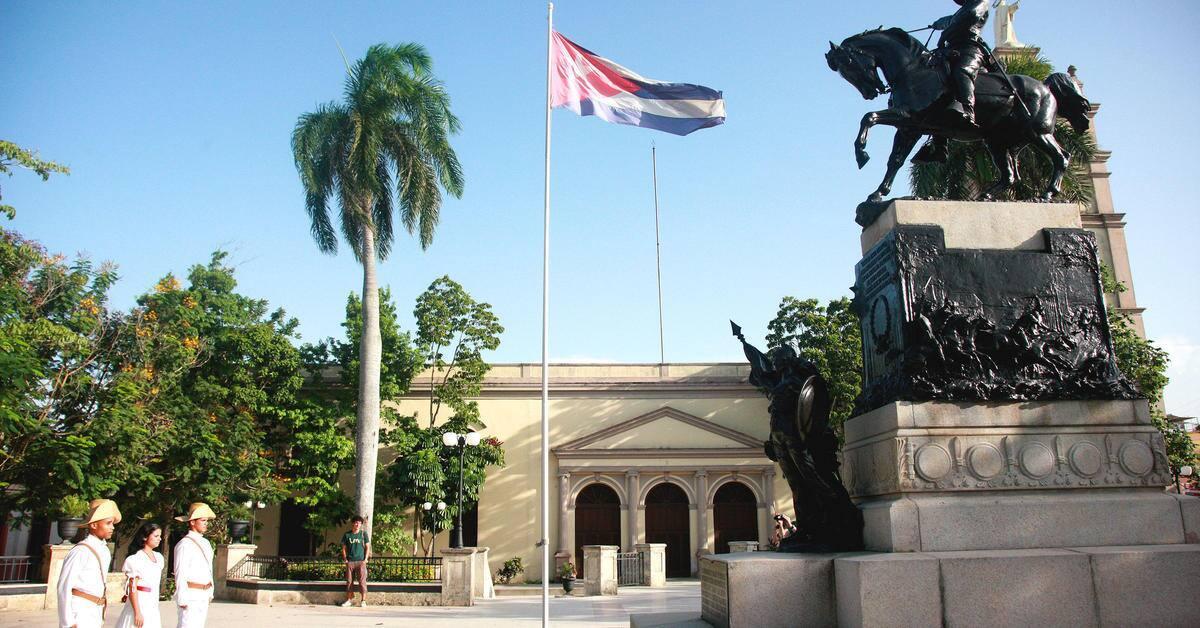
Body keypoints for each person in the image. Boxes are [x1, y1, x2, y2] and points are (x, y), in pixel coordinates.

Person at [57, 498, 121, 628]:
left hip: (95, 610)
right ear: (93, 525)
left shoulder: (104, 551)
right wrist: (68, 622)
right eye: (108, 523)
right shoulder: (81, 551)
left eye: (113, 523)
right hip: (80, 610)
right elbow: (64, 586)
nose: (112, 527)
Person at [930, 0, 991, 126]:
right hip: (952, 48)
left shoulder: (981, 3)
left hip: (970, 47)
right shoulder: (961, 11)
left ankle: (969, 112)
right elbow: (952, 20)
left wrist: (944, 34)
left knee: (962, 71)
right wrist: (937, 24)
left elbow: (970, 16)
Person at [173, 503, 215, 628]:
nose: (205, 523)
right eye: (202, 520)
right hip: (191, 594)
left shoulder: (206, 543)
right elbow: (180, 572)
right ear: (192, 522)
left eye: (206, 521)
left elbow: (209, 568)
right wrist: (182, 597)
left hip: (203, 593)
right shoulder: (184, 544)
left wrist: (210, 590)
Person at [115, 522, 164, 628]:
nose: (159, 539)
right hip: (140, 602)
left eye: (160, 536)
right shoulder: (136, 559)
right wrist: (137, 612)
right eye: (156, 536)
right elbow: (132, 587)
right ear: (145, 537)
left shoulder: (159, 558)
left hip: (153, 603)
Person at [340, 515, 371, 607]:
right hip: (350, 561)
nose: (358, 524)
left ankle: (363, 601)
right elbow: (344, 548)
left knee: (362, 581)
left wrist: (365, 559)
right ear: (353, 523)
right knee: (349, 581)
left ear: (361, 524)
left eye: (360, 523)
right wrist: (345, 559)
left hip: (361, 561)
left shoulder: (363, 534)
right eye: (356, 522)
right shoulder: (347, 535)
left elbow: (367, 547)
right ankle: (349, 600)